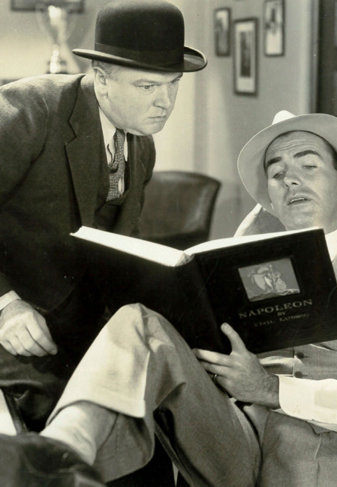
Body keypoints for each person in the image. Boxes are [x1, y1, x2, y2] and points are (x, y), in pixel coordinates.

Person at [2, 110, 337, 487]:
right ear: (270, 199)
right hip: (236, 445)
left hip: (334, 462)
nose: (290, 180)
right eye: (277, 174)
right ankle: (57, 454)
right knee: (139, 321)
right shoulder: (237, 264)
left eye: (308, 166)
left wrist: (269, 389)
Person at [0, 0, 206, 431]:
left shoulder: (141, 145)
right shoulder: (31, 110)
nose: (165, 102)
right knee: (65, 420)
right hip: (16, 319)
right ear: (102, 78)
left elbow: (118, 248)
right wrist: (6, 306)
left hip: (83, 325)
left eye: (173, 84)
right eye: (148, 86)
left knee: (159, 407)